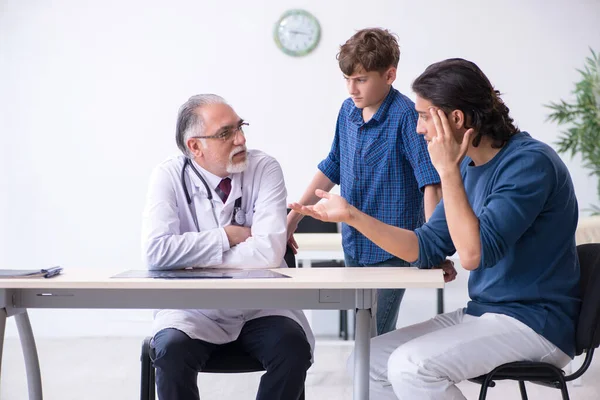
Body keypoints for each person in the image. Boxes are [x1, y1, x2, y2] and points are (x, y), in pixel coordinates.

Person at [289, 58, 581, 399]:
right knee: (365, 362)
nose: (419, 128)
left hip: (536, 324)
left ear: (455, 119)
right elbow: (424, 246)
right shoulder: (471, 168)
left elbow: (473, 255)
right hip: (485, 313)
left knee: (412, 366)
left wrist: (448, 173)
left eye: (425, 116)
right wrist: (351, 215)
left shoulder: (529, 164)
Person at [141, 94, 314, 400]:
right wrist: (228, 236)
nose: (240, 139)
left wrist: (191, 261)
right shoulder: (167, 176)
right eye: (226, 133)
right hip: (192, 311)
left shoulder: (265, 168)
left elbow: (269, 252)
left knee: (292, 348)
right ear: (195, 147)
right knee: (170, 352)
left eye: (240, 127)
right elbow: (157, 253)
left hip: (260, 307)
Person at [287, 28, 444, 336]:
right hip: (354, 245)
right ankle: (374, 383)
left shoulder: (406, 117)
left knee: (376, 334)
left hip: (392, 250)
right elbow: (333, 165)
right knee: (366, 334)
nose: (351, 89)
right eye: (347, 79)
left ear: (389, 75)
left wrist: (431, 248)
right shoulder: (348, 111)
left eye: (360, 80)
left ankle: (381, 383)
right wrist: (293, 218)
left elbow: (430, 182)